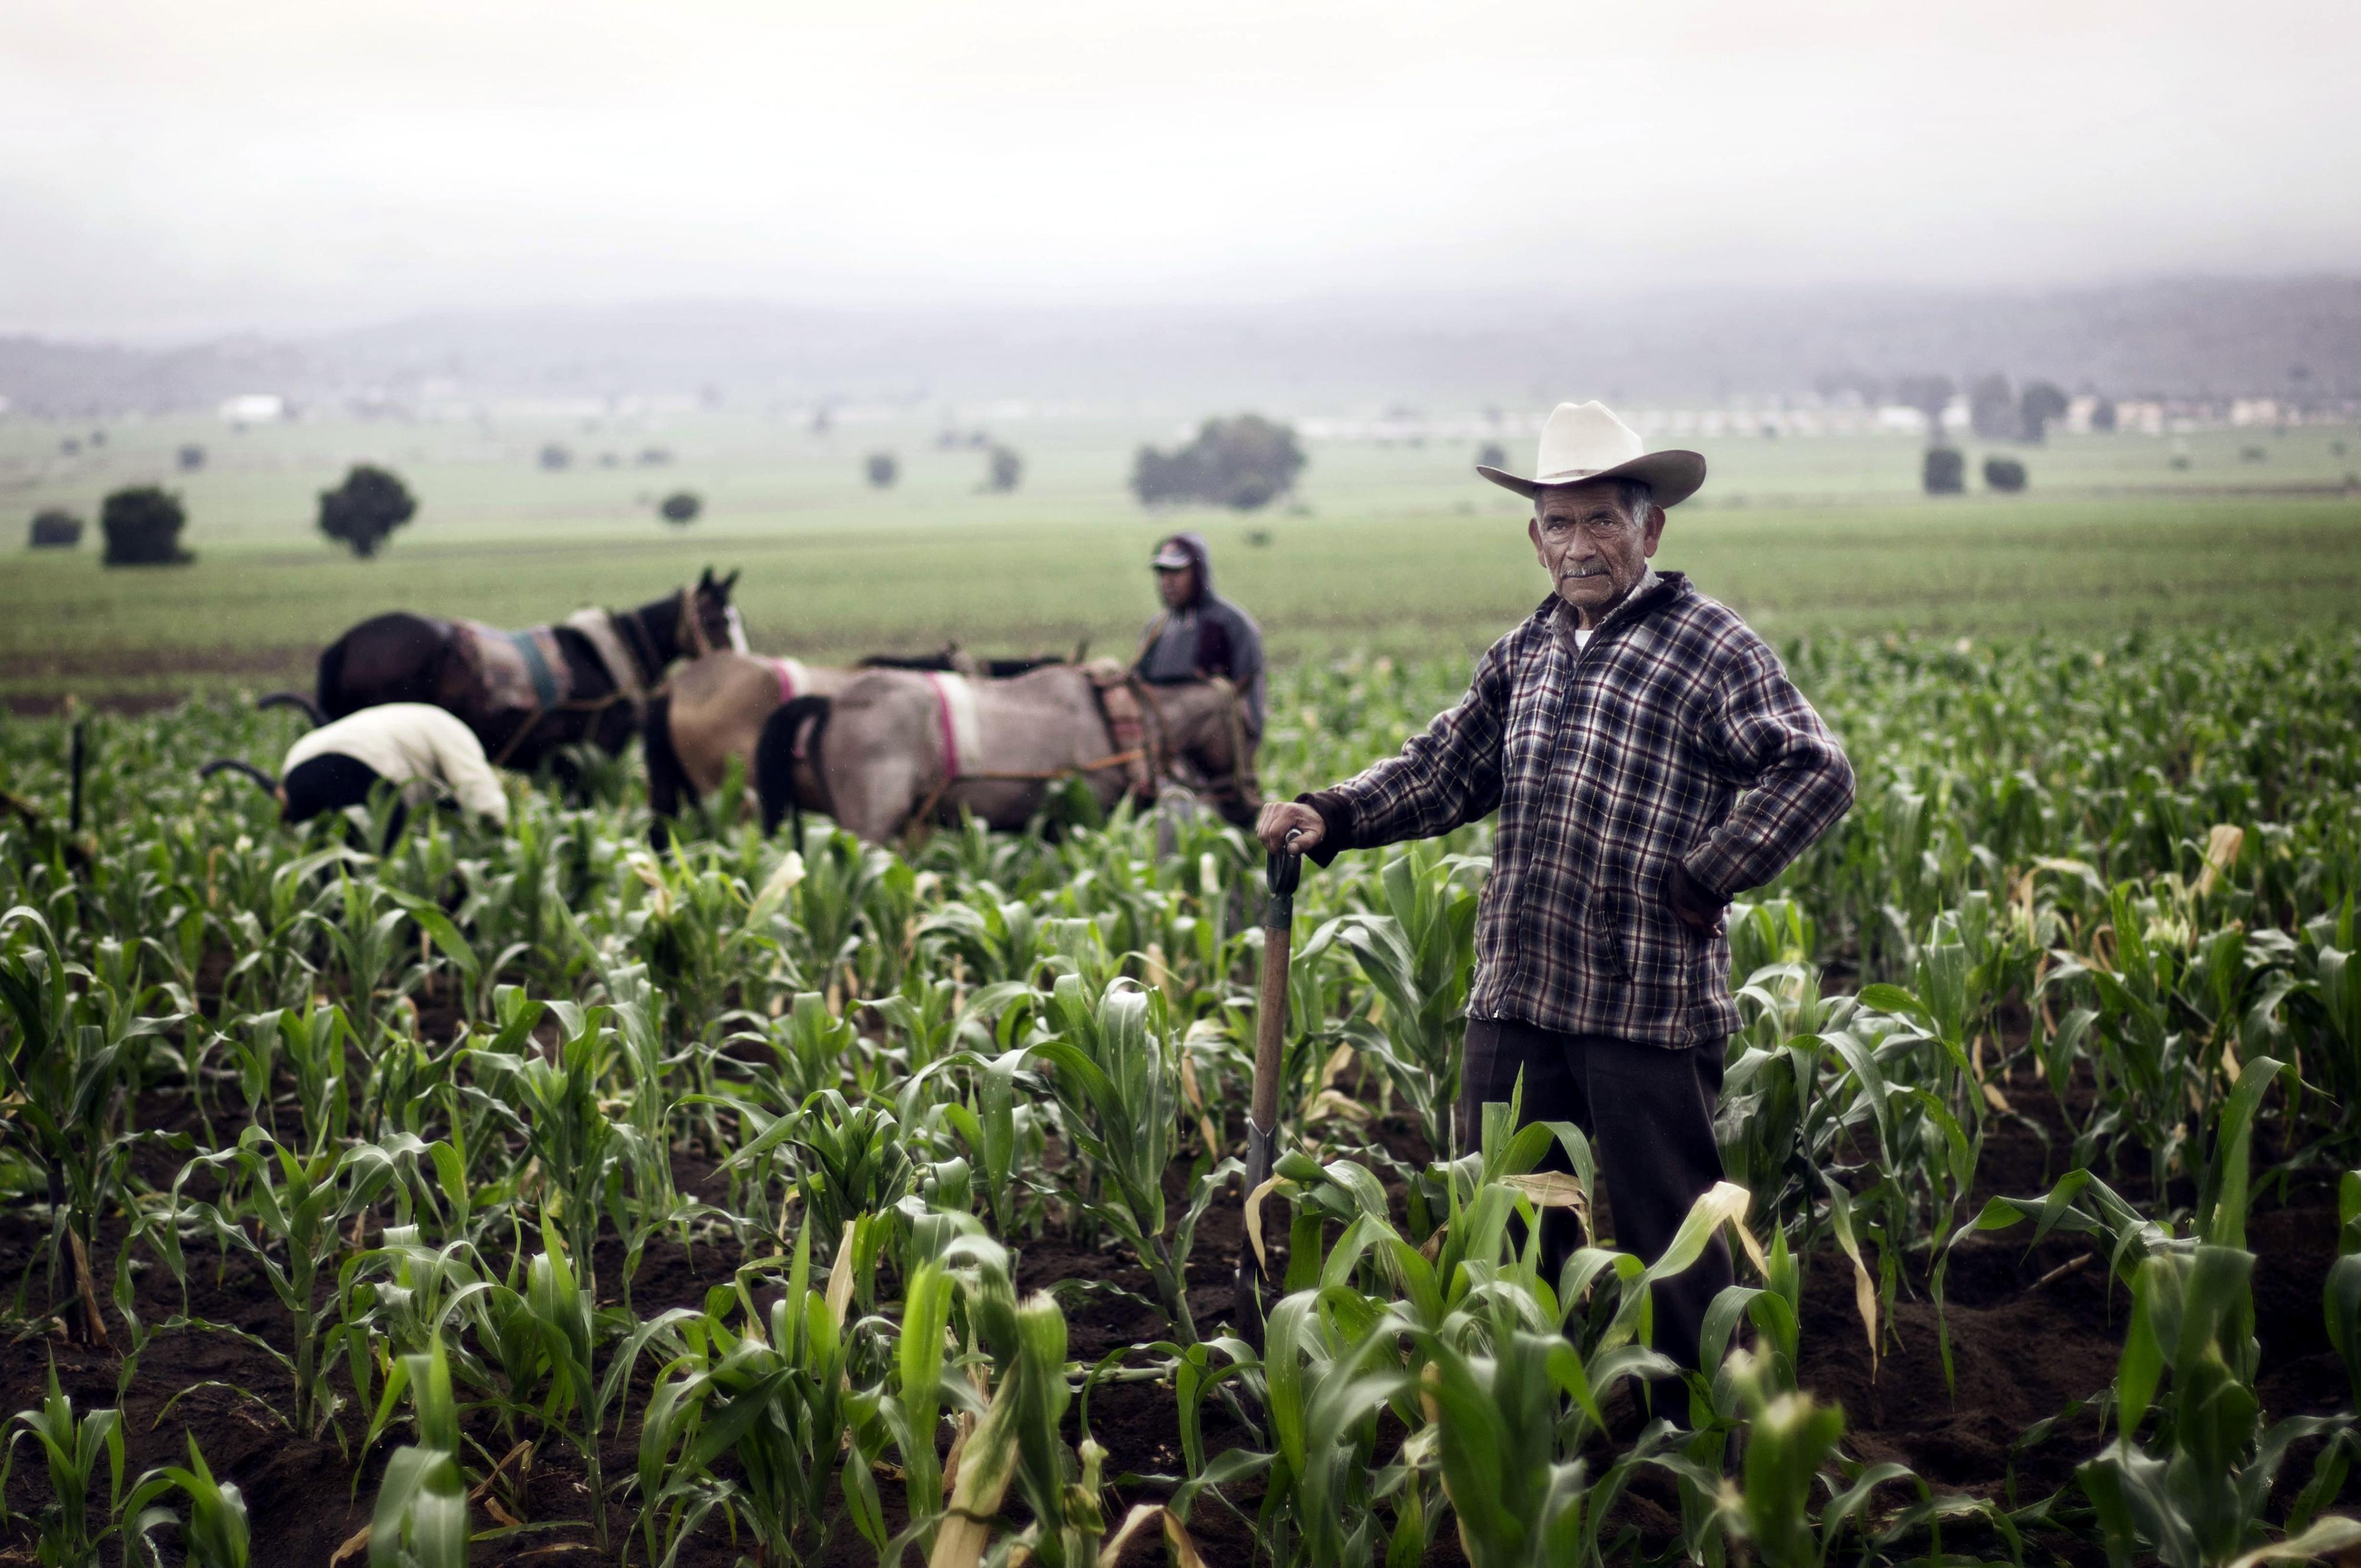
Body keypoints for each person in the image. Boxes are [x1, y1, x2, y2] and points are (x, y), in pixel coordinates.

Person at [1254, 400, 1854, 1372]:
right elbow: (1446, 767)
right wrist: (1337, 814)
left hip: (1647, 1001)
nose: (1580, 544)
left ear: (1649, 528)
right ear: (1535, 541)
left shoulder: (1710, 645)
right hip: (1522, 992)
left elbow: (1814, 769)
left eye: (1602, 520)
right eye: (1560, 523)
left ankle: (1697, 1452)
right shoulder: (1527, 651)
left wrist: (1709, 875)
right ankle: (1543, 1430)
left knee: (1676, 1238)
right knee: (1518, 1229)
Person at [205, 701, 509, 841]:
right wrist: (499, 829)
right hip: (366, 767)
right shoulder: (452, 728)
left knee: (327, 865)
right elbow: (475, 785)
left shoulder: (401, 716)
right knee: (387, 862)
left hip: (300, 766)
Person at [1136, 532, 1266, 737]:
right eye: (1162, 573)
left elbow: (1250, 699)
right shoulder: (1157, 628)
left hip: (1216, 752)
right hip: (1164, 747)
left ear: (1198, 573)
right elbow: (1139, 687)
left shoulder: (1232, 623)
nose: (1167, 582)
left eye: (1176, 572)